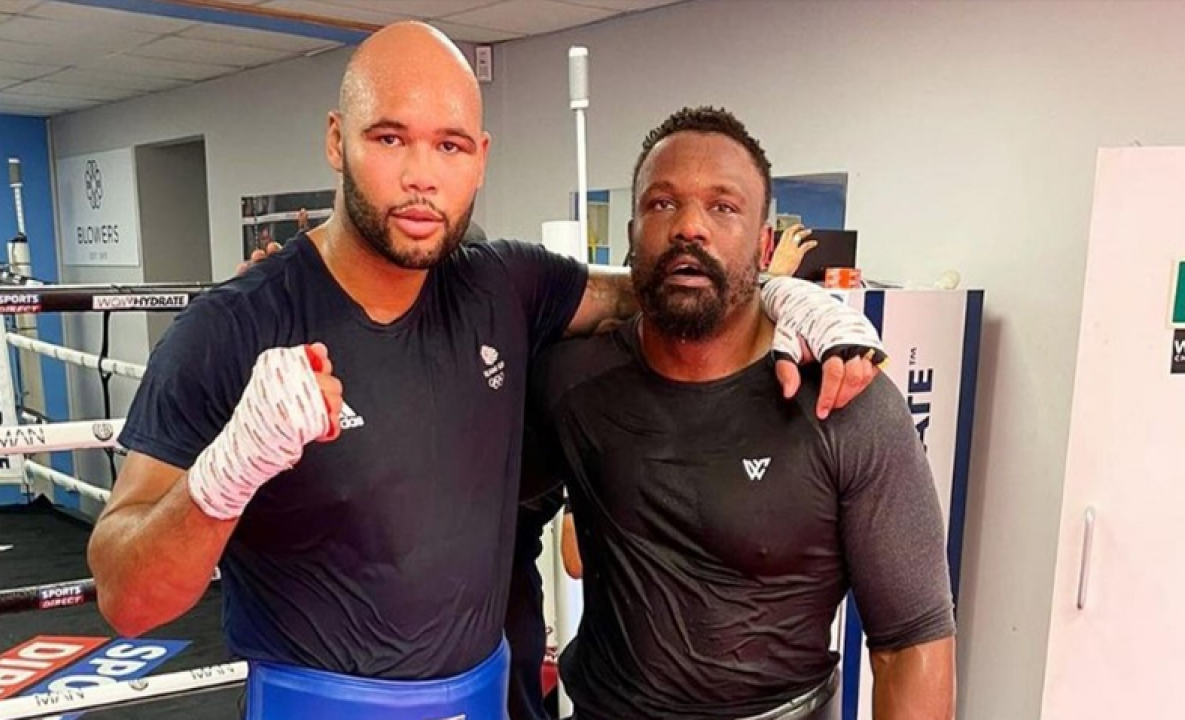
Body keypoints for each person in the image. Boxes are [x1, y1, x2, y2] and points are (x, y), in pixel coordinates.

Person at [87, 22, 887, 720]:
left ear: (481, 158)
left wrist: (779, 296)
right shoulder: (230, 330)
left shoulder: (504, 286)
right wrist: (228, 473)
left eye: (450, 145)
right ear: (337, 140)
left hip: (478, 701)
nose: (421, 176)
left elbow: (652, 292)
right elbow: (127, 599)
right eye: (389, 138)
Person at [521, 107, 956, 720]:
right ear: (633, 231)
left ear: (763, 243)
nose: (689, 227)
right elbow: (489, 534)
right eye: (662, 204)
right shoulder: (572, 381)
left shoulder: (845, 400)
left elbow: (911, 643)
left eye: (723, 206)